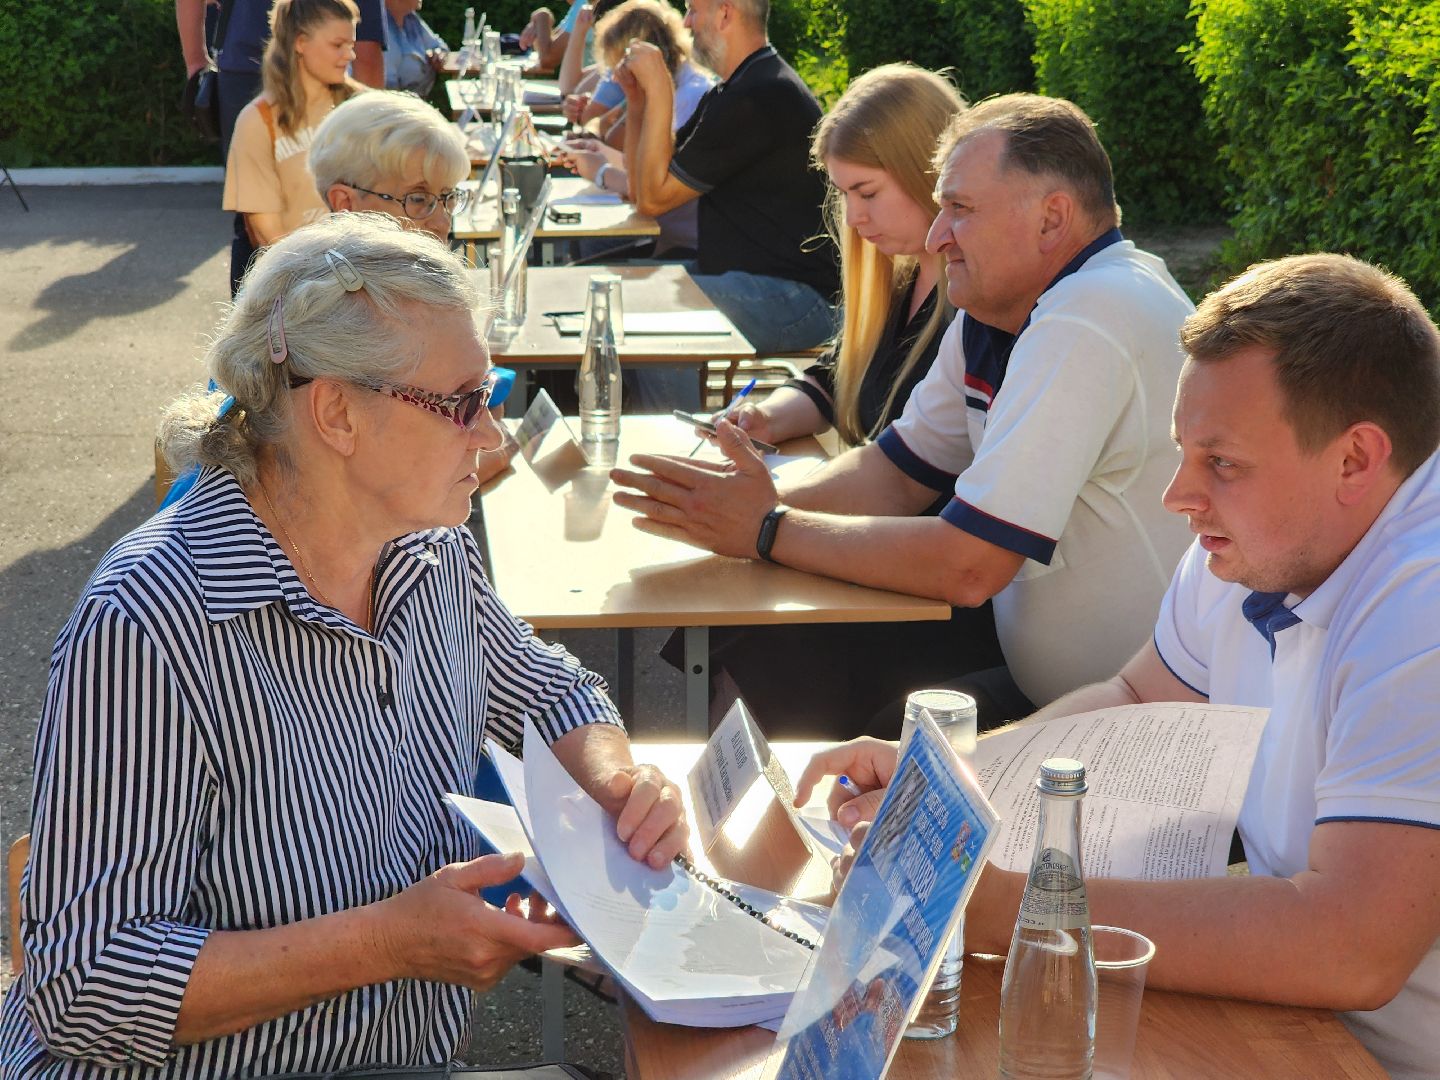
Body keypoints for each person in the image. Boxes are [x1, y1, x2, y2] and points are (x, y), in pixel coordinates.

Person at [0, 214, 688, 1078]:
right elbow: (83, 988)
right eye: (465, 403)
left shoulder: (425, 549)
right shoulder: (156, 620)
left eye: (495, 398)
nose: (493, 438)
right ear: (335, 413)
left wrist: (621, 782)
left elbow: (551, 691)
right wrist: (388, 943)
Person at [798, 252, 1440, 1080]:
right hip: (1302, 1030)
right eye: (1182, 452)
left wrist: (1021, 913)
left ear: (1356, 460)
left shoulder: (1421, 604)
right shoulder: (1258, 543)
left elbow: (1350, 945)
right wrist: (951, 782)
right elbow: (1137, 695)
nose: (1180, 494)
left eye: (1222, 463)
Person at [612, 94, 1195, 731]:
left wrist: (766, 528)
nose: (936, 235)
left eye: (960, 210)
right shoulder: (1000, 306)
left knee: (847, 725)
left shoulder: (1091, 312)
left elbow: (972, 565)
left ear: (1052, 220)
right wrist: (740, 502)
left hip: (1141, 727)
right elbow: (895, 474)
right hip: (1073, 697)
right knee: (796, 669)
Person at [616, 0, 839, 354]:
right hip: (753, 282)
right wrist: (637, 102)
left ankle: (675, 410)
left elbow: (653, 200)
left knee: (644, 311)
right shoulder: (737, 87)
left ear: (724, 13)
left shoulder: (760, 94)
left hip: (798, 298)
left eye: (693, 9)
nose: (686, 23)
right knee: (608, 287)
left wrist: (660, 86)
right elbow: (639, 188)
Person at [176, 0, 386, 294]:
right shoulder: (254, 118)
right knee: (254, 219)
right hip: (247, 66)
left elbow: (365, 48)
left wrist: (372, 117)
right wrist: (196, 63)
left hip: (306, 52)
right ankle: (258, 322)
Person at [222, 0, 365, 294]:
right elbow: (266, 234)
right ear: (300, 43)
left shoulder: (362, 108)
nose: (349, 55)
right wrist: (324, 286)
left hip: (362, 279)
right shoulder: (258, 121)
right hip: (295, 288)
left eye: (351, 44)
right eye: (338, 45)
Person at [557, 0, 715, 258]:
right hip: (664, 233)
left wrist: (600, 171)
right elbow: (634, 169)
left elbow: (642, 190)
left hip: (684, 245)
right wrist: (633, 100)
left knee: (587, 249)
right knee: (583, 245)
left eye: (621, 68)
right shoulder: (662, 84)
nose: (618, 78)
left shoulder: (691, 95)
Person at [382, 0, 448, 96]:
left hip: (416, 101)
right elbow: (388, 88)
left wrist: (438, 53)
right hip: (396, 104)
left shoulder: (411, 19)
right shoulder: (383, 30)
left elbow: (440, 46)